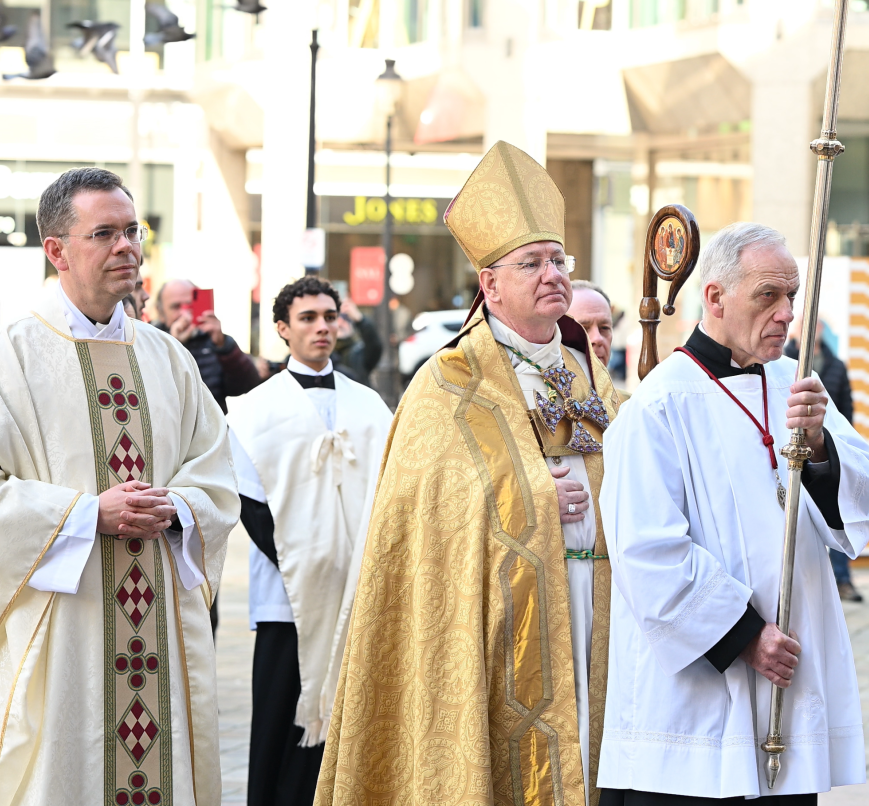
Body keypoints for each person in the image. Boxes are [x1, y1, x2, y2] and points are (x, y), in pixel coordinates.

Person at [0, 168, 240, 805]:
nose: (126, 246)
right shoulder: (11, 355)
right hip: (63, 624)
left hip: (154, 609)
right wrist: (83, 515)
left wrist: (179, 504)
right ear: (57, 251)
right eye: (103, 233)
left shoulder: (168, 357)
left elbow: (213, 468)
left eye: (132, 231)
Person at [316, 141, 621, 805]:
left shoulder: (592, 374)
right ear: (490, 284)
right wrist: (541, 497)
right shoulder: (447, 381)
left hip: (595, 610)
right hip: (495, 626)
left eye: (558, 260)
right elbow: (428, 515)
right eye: (532, 262)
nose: (553, 275)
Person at [596, 222, 869, 802]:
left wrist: (821, 445)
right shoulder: (658, 405)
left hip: (789, 676)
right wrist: (746, 635)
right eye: (768, 295)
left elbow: (858, 500)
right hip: (701, 690)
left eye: (792, 297)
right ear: (716, 297)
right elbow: (646, 550)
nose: (786, 314)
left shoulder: (796, 383)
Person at [230, 277, 392, 806]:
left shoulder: (369, 404)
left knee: (349, 726)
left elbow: (390, 491)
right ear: (282, 328)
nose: (321, 327)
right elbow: (250, 503)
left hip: (355, 595)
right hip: (287, 596)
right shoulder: (254, 409)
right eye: (307, 318)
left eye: (329, 316)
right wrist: (305, 565)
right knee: (280, 723)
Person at [784, 320, 861, 602]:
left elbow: (846, 408)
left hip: (825, 447)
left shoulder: (836, 365)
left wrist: (834, 444)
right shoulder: (782, 363)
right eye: (804, 324)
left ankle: (842, 579)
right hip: (789, 451)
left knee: (836, 513)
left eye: (814, 325)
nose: (809, 329)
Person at [155, 277, 262, 412]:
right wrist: (173, 345)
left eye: (190, 304)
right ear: (161, 313)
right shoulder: (152, 342)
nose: (184, 312)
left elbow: (247, 385)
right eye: (176, 307)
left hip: (214, 429)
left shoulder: (212, 338)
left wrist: (224, 347)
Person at [329, 297, 381, 387]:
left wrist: (360, 319)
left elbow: (375, 345)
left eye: (346, 319)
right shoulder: (324, 352)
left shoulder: (360, 352)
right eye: (336, 318)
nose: (341, 323)